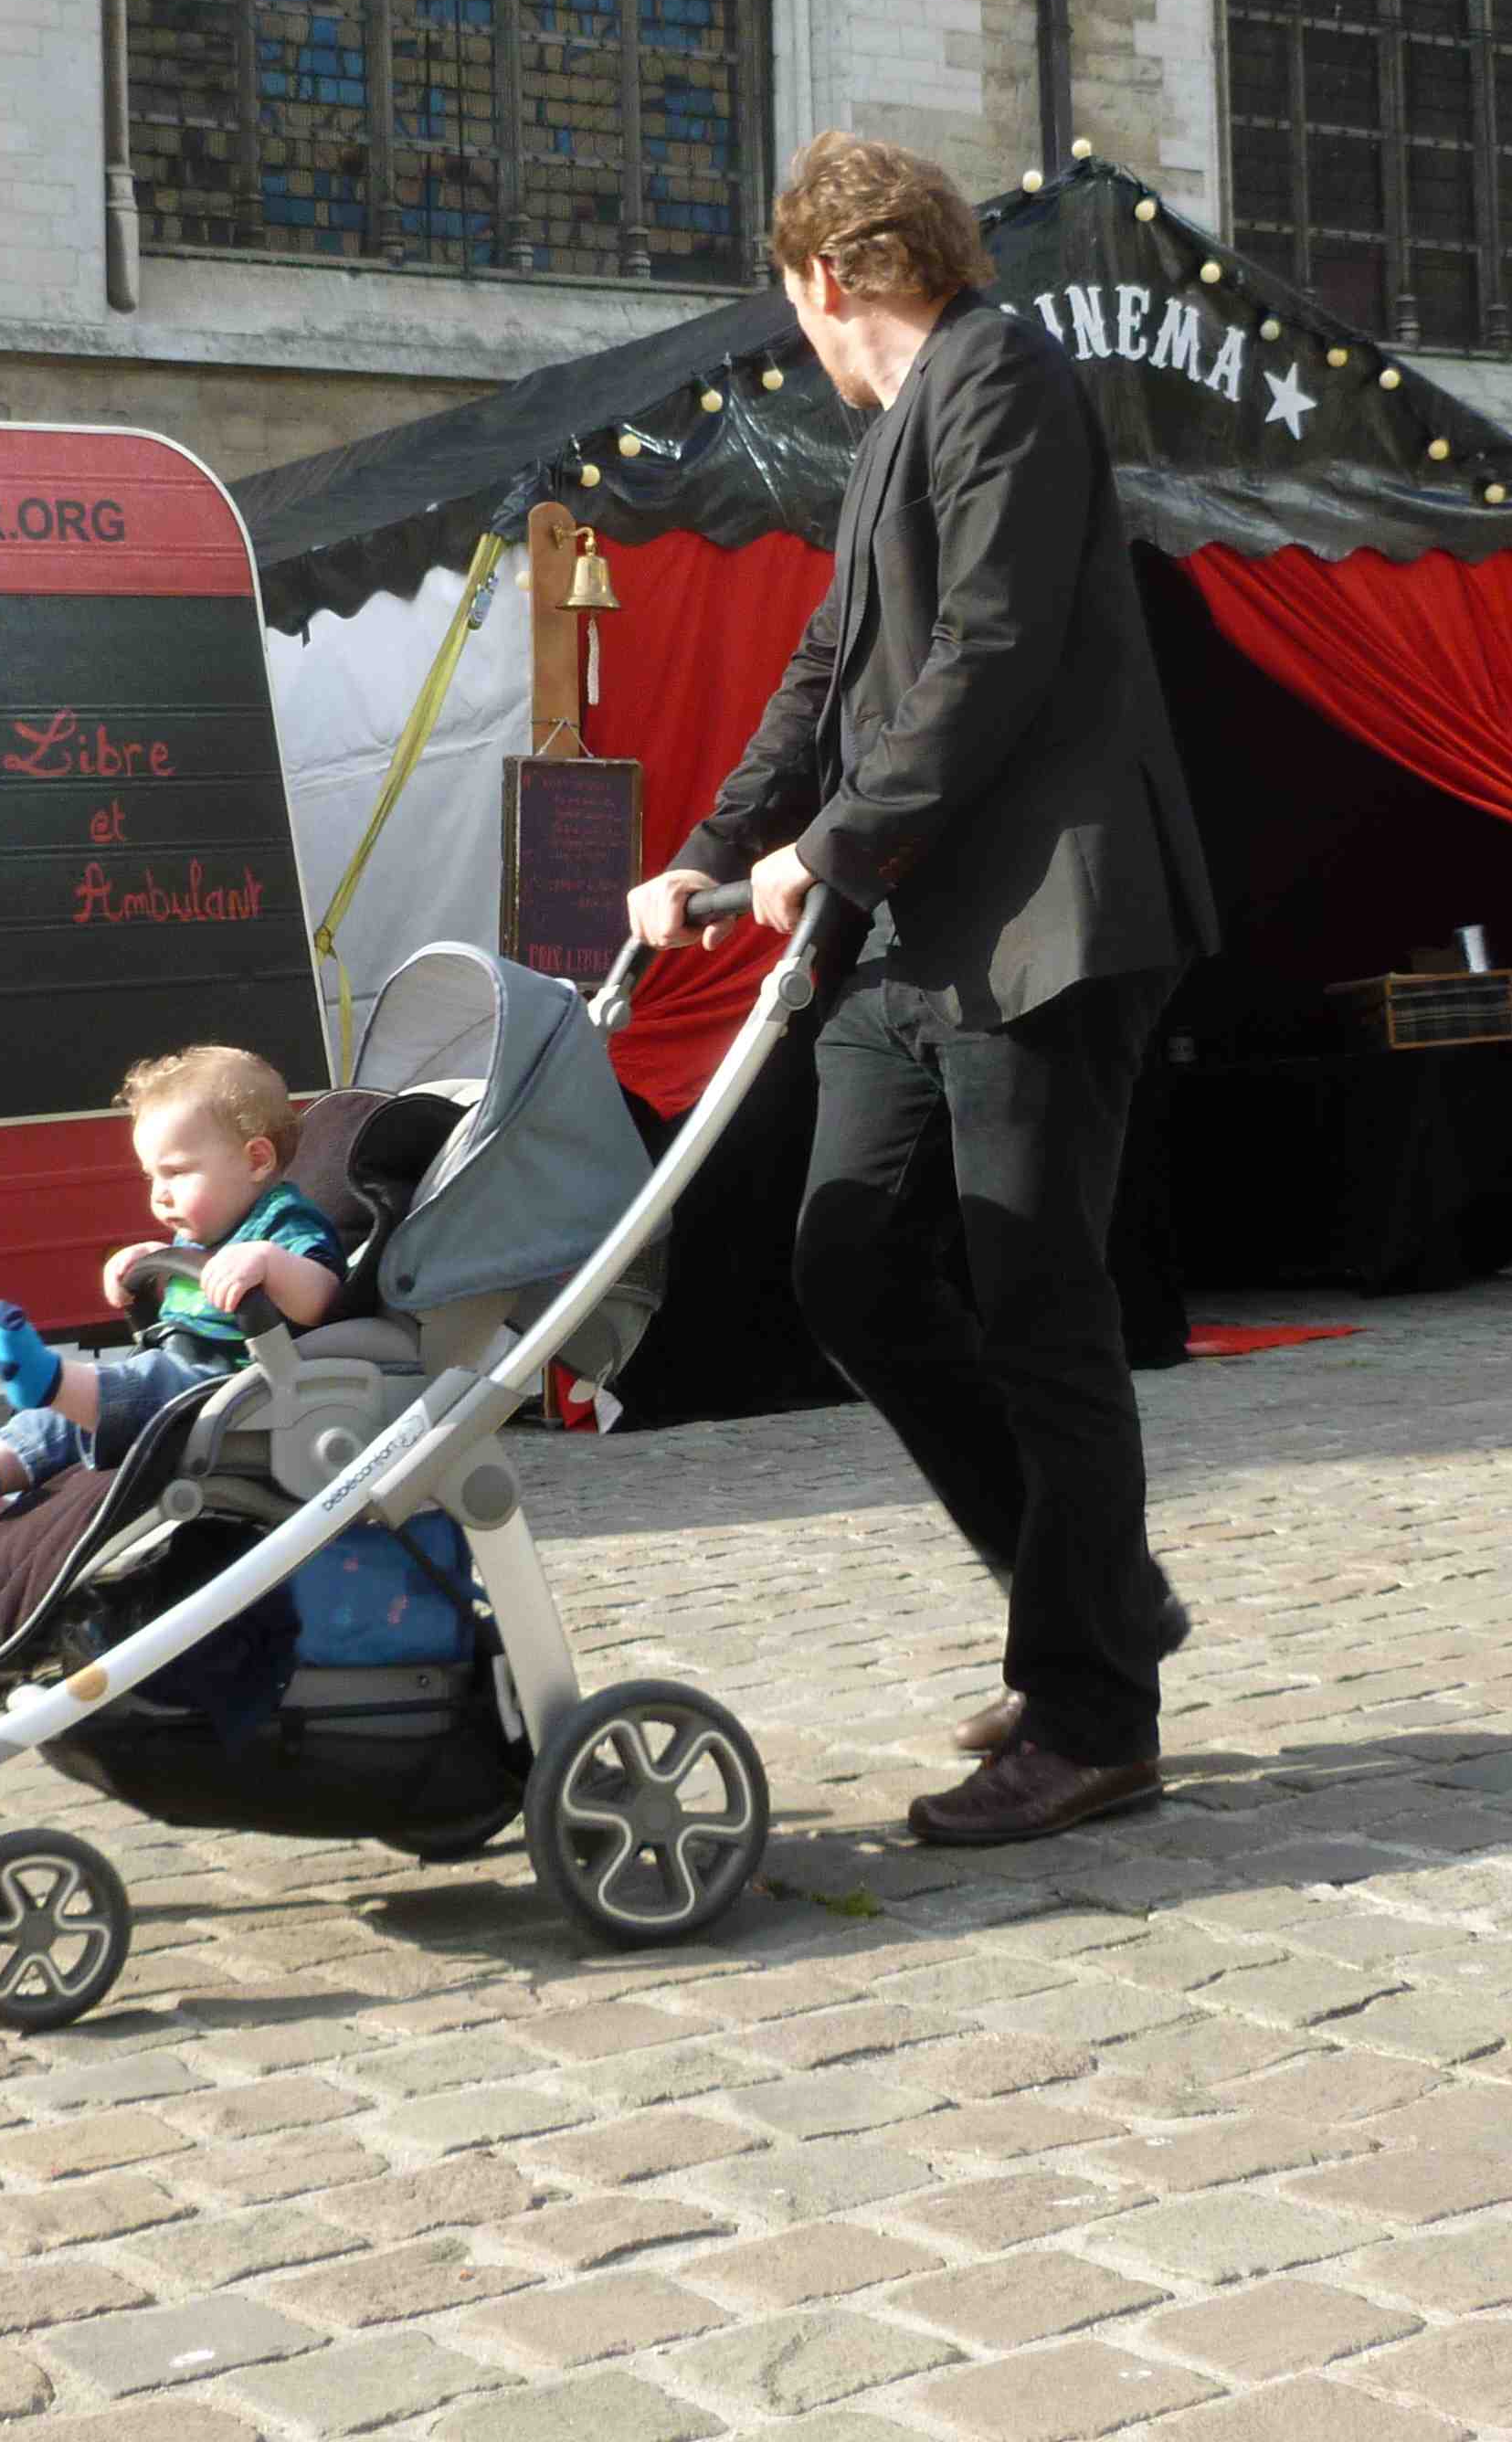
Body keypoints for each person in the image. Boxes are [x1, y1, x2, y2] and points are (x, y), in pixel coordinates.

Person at [626, 130, 1218, 1848]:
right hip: (917, 934)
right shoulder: (902, 425)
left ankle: (1097, 1711)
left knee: (1041, 1308)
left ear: (823, 275)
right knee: (847, 1260)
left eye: (788, 298)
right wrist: (715, 845)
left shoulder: (1002, 379)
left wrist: (837, 841)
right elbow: (831, 668)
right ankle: (1091, 1589)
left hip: (1043, 920)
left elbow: (992, 652)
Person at [0, 1045, 343, 1517]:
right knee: (67, 1415)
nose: (160, 1194)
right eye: (151, 1176)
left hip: (238, 1387)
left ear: (255, 1160)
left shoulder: (284, 1224)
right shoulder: (204, 1232)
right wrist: (151, 1261)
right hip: (177, 1369)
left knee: (128, 1386)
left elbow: (323, 1298)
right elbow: (190, 1283)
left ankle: (48, 1379)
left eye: (175, 1172)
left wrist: (271, 1263)